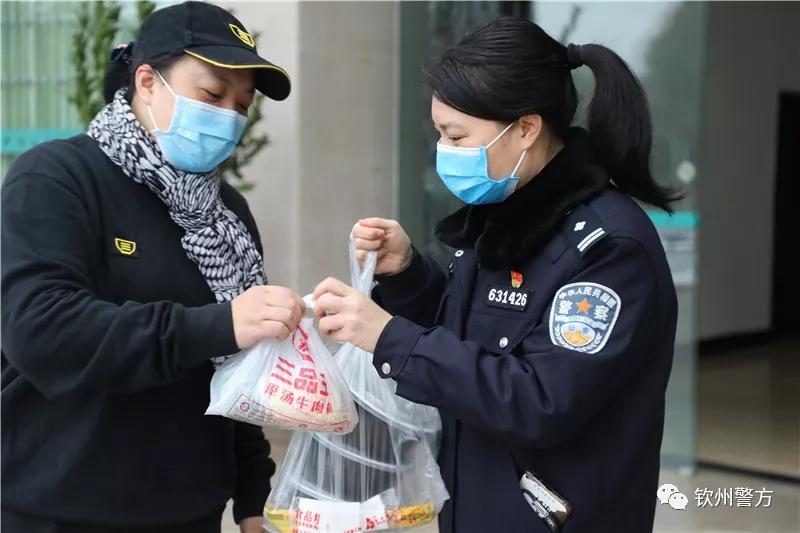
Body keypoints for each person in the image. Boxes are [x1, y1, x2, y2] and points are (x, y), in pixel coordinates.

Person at [312, 17, 680, 533]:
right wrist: (408, 275)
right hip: (477, 506)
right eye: (439, 134)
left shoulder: (608, 248)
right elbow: (470, 341)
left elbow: (541, 399)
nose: (445, 151)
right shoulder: (505, 218)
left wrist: (390, 338)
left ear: (526, 128)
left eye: (456, 135)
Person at [1, 2, 304, 532]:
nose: (228, 117)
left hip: (191, 512)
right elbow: (40, 330)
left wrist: (254, 498)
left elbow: (238, 373)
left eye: (242, 105)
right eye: (212, 95)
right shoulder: (58, 178)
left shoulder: (225, 214)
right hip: (60, 509)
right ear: (146, 80)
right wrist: (216, 324)